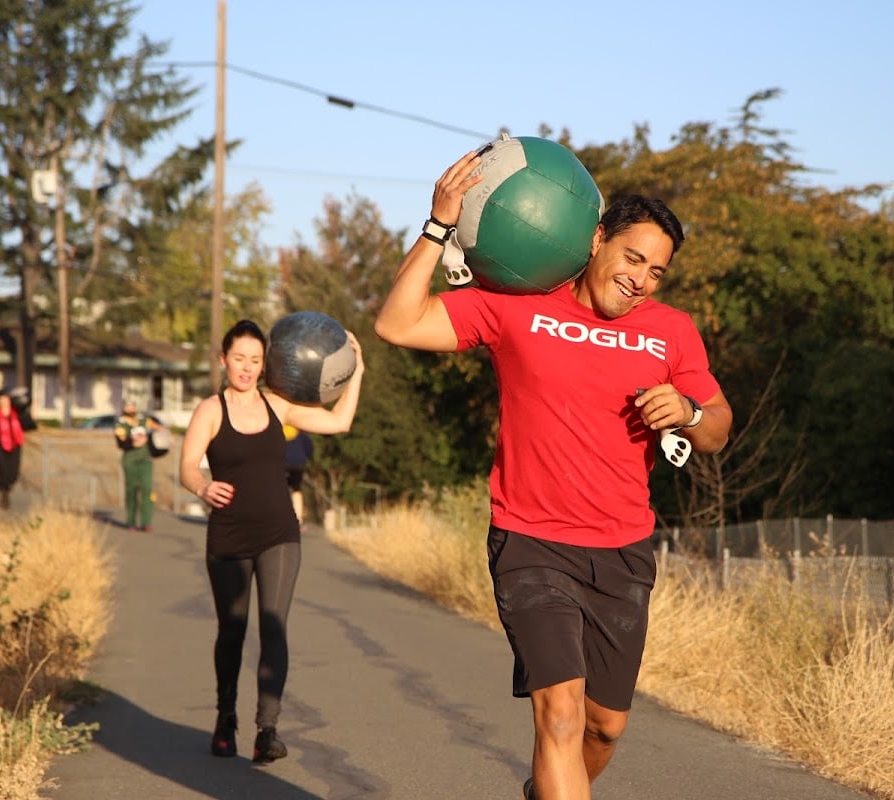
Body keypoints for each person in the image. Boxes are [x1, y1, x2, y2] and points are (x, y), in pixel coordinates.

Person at [374, 151, 733, 800]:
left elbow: (716, 431)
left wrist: (688, 410)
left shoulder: (671, 333)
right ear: (597, 239)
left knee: (603, 727)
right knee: (560, 716)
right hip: (532, 542)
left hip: (624, 550)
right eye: (632, 258)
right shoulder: (518, 306)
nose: (641, 279)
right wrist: (437, 228)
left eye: (656, 270)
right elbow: (395, 323)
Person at [179, 319, 365, 764]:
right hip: (228, 535)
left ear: (266, 365)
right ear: (223, 361)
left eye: (255, 360)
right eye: (239, 358)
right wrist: (201, 488)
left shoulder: (278, 405)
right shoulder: (209, 411)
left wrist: (357, 371)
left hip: (279, 534)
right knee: (232, 630)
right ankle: (226, 721)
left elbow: (339, 422)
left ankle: (267, 730)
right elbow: (186, 466)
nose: (246, 367)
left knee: (274, 627)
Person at [114, 398, 162, 531]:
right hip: (130, 460)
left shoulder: (142, 420)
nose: (130, 409)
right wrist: (135, 442)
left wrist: (156, 436)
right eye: (128, 406)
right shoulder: (121, 423)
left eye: (132, 406)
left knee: (147, 490)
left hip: (145, 460)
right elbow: (122, 441)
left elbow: (159, 428)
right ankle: (131, 522)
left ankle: (146, 521)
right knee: (132, 491)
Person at [282, 425, 314, 528]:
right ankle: (298, 519)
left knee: (280, 490)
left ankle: (280, 518)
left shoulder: (277, 430)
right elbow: (309, 448)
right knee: (296, 490)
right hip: (298, 464)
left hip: (281, 463)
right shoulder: (300, 433)